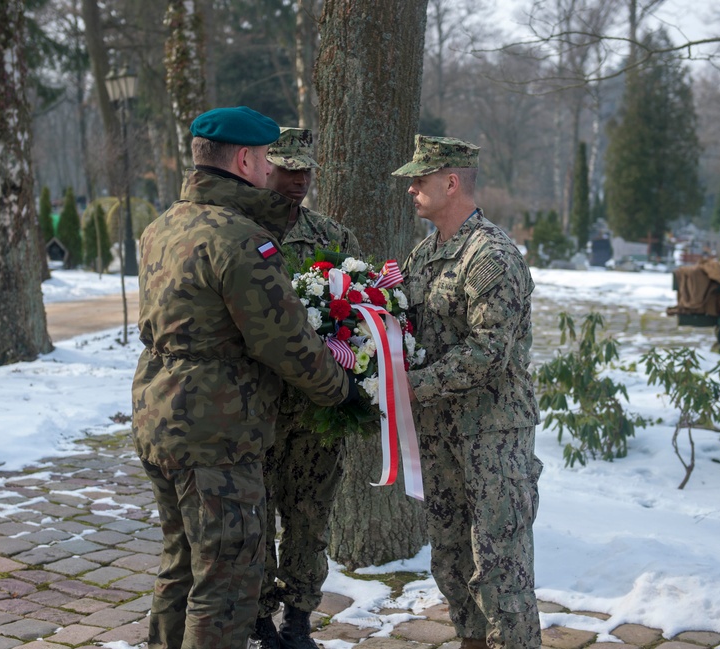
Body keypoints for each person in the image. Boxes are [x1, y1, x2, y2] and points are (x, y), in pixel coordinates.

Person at [132, 107, 354, 649]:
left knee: (181, 566)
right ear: (247, 159)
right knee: (227, 581)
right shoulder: (242, 239)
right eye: (265, 158)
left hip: (159, 416)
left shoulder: (162, 227)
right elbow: (285, 342)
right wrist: (340, 391)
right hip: (217, 433)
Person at [391, 135, 543, 649]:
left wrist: (411, 387)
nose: (411, 188)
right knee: (451, 563)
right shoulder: (424, 253)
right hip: (440, 433)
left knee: (500, 571)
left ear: (450, 182)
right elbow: (410, 328)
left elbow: (488, 353)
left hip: (493, 433)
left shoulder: (491, 255)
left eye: (420, 179)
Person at [250, 127, 363, 649]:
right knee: (256, 517)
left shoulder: (334, 238)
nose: (297, 180)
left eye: (305, 170)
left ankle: (298, 619)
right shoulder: (241, 233)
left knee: (309, 517)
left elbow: (363, 317)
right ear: (264, 169)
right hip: (258, 408)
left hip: (318, 413)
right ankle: (258, 620)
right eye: (286, 169)